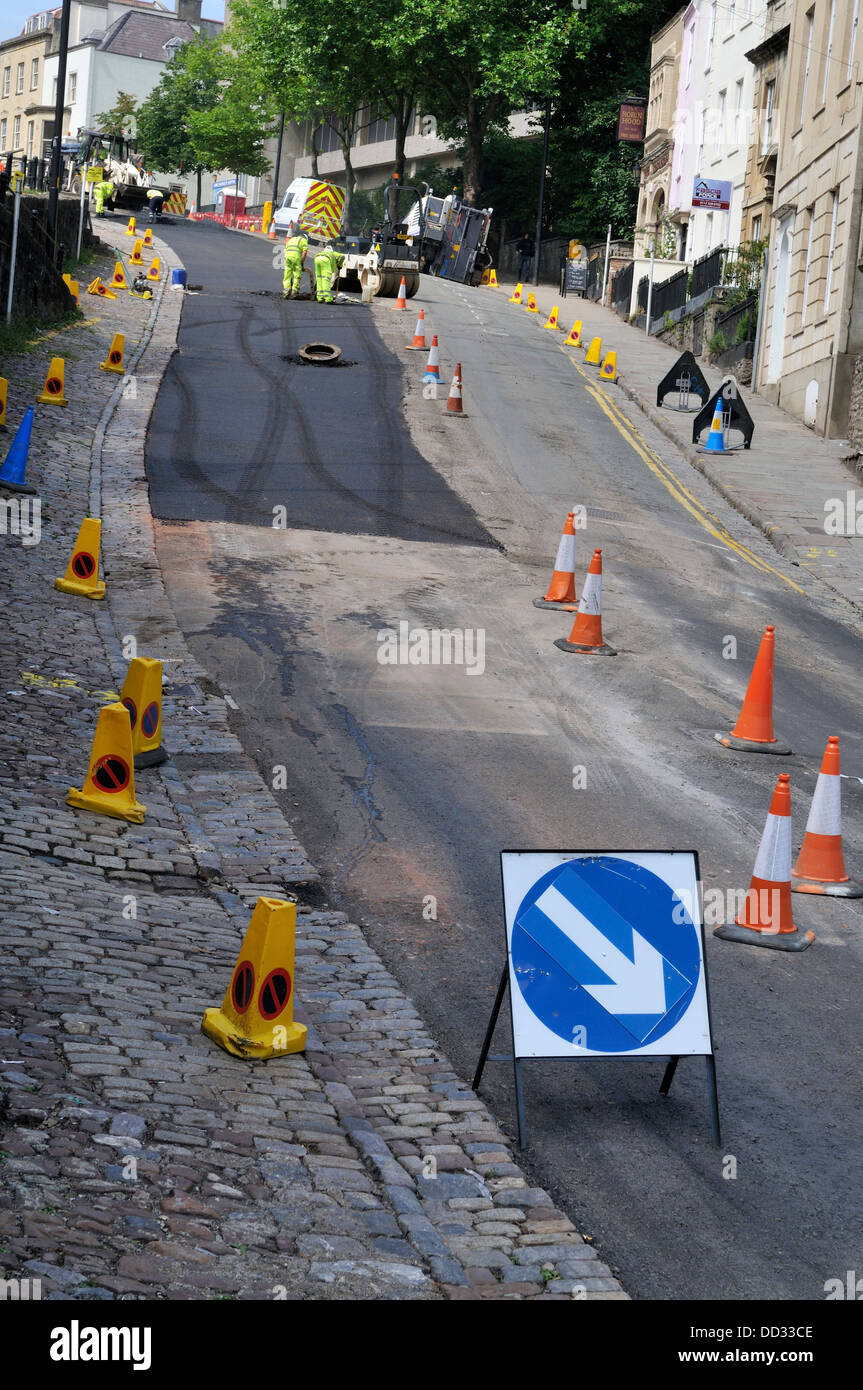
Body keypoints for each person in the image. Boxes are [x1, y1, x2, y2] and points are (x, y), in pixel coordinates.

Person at [313, 238, 345, 303]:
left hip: (317, 259)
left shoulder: (323, 252)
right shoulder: (333, 253)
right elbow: (342, 256)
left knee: (319, 279)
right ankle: (328, 299)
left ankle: (320, 297)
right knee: (326, 279)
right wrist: (340, 265)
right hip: (325, 260)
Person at [282, 223, 308, 299]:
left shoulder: (291, 239)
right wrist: (302, 262)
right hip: (296, 257)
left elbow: (286, 249)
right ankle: (294, 292)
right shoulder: (303, 240)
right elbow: (305, 252)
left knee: (287, 274)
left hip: (287, 257)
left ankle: (286, 292)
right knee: (297, 275)